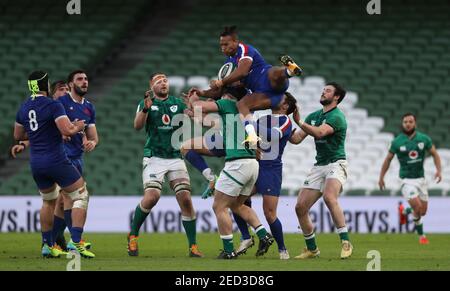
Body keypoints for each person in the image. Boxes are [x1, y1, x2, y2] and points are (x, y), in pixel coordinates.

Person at [14, 71, 94, 258]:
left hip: (36, 163)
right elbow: (67, 129)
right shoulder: (53, 104)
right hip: (56, 160)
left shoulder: (24, 107)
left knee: (48, 202)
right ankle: (76, 244)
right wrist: (78, 127)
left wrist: (39, 132)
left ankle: (47, 245)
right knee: (80, 195)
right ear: (44, 85)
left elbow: (18, 136)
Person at [189, 90, 274, 259]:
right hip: (252, 164)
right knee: (237, 205)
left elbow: (199, 110)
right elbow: (200, 118)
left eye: (224, 94)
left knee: (219, 207)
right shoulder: (246, 109)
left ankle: (228, 250)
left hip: (237, 163)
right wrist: (195, 111)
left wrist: (194, 99)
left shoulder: (228, 104)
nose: (221, 97)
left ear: (229, 94)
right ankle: (263, 234)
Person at [127, 72, 203, 258]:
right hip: (154, 157)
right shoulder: (147, 103)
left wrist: (193, 109)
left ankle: (193, 247)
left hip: (175, 157)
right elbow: (137, 126)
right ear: (151, 86)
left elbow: (195, 118)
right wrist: (145, 110)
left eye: (165, 81)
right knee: (152, 197)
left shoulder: (176, 102)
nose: (163, 84)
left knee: (185, 198)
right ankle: (133, 235)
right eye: (159, 82)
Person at [195, 26, 302, 147]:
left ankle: (290, 71)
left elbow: (243, 71)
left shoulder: (245, 49)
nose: (223, 48)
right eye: (221, 45)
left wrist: (221, 82)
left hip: (267, 79)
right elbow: (220, 91)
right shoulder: (229, 62)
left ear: (236, 42)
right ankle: (252, 135)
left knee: (274, 72)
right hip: (262, 94)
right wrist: (203, 93)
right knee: (242, 105)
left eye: (226, 44)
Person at [290, 82, 352, 259]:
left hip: (336, 163)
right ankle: (312, 249)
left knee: (329, 196)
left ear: (336, 97)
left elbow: (319, 133)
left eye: (328, 90)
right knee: (300, 207)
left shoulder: (337, 117)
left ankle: (346, 242)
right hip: (319, 165)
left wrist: (299, 121)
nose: (324, 92)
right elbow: (296, 139)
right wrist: (280, 130)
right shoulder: (314, 116)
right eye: (323, 89)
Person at [378, 113, 442, 244]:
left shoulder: (424, 139)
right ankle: (422, 236)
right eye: (405, 122)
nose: (408, 124)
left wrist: (439, 171)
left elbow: (435, 154)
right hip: (406, 180)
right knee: (417, 207)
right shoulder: (397, 142)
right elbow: (388, 160)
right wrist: (381, 177)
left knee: (422, 212)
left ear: (415, 124)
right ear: (402, 124)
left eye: (410, 121)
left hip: (421, 179)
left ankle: (404, 211)